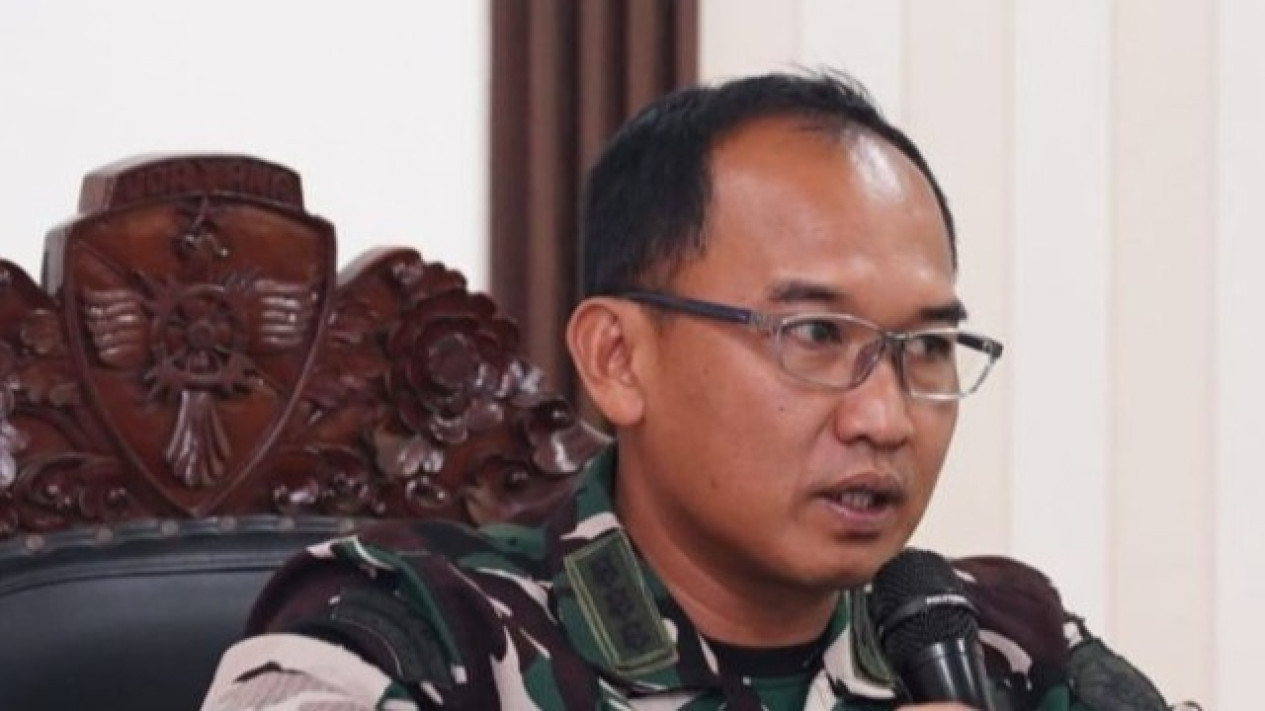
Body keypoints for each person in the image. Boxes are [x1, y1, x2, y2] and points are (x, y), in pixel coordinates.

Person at [200, 71, 1175, 711]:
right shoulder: (410, 629)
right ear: (618, 359)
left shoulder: (989, 639)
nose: (882, 417)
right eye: (814, 334)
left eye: (922, 347)